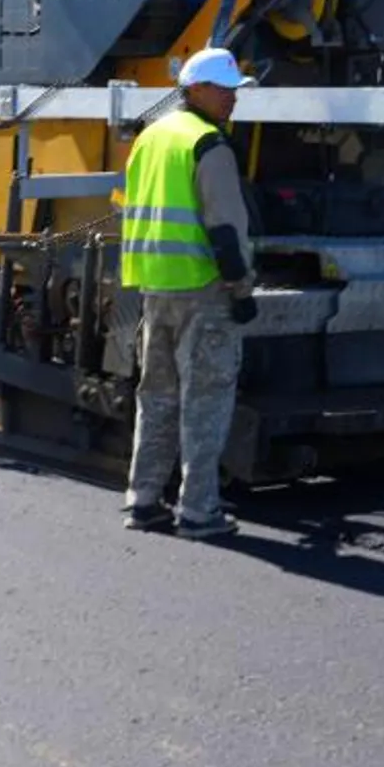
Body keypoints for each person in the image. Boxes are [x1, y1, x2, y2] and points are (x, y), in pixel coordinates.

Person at [119, 47, 258, 540]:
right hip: (204, 288)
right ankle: (199, 510)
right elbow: (225, 229)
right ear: (194, 89)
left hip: (156, 285)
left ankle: (144, 500)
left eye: (234, 90)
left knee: (156, 395)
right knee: (206, 398)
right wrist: (241, 288)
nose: (231, 99)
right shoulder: (208, 145)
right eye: (223, 89)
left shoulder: (150, 137)